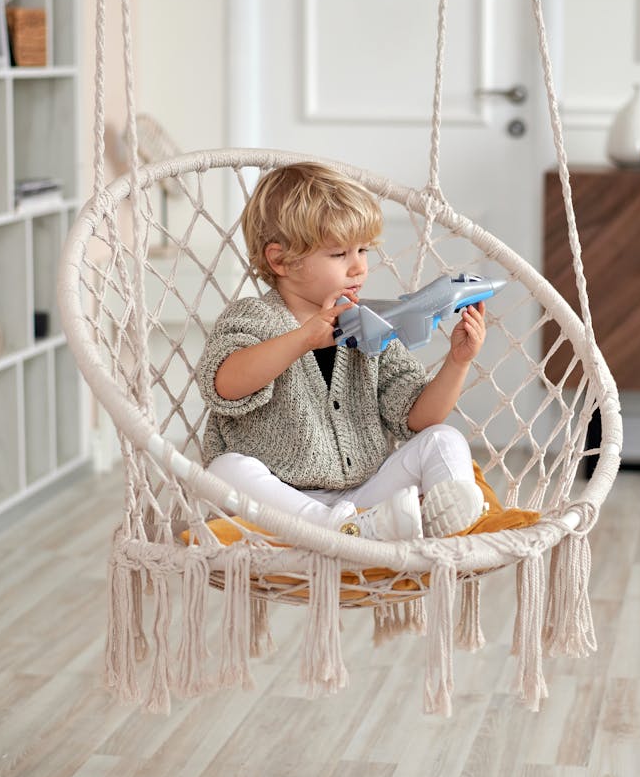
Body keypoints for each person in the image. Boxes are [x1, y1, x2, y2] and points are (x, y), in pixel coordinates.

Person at [196, 162, 487, 540]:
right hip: (282, 504)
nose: (359, 268)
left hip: (366, 496)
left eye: (363, 250)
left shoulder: (374, 325)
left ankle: (441, 517)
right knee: (226, 470)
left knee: (445, 439)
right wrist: (302, 339)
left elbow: (418, 419)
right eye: (339, 255)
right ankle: (343, 530)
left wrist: (457, 362)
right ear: (280, 260)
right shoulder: (254, 317)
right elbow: (224, 386)